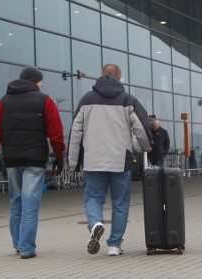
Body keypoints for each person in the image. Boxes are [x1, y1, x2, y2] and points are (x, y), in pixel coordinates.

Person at [67, 63, 152, 257]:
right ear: (119, 77)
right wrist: (146, 146)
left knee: (93, 198)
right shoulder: (127, 99)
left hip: (93, 159)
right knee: (120, 203)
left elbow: (75, 132)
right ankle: (114, 245)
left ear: (101, 75)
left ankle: (96, 223)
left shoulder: (86, 99)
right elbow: (141, 126)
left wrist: (73, 162)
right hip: (120, 160)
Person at [0, 66, 66, 260]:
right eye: (40, 81)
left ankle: (18, 244)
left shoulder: (5, 101)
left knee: (16, 203)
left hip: (12, 161)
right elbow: (56, 131)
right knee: (30, 204)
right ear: (33, 81)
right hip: (34, 161)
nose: (42, 84)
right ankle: (27, 249)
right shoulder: (45, 100)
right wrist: (59, 155)